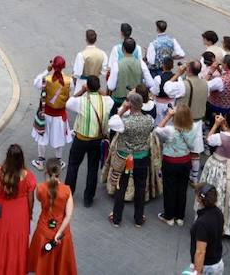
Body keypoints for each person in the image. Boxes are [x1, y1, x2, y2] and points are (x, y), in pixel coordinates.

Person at [0, 144, 34, 275]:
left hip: (0, 215)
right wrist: (30, 213)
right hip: (20, 216)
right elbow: (31, 198)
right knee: (16, 246)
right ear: (22, 159)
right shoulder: (28, 176)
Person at [107, 92, 155, 227]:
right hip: (142, 157)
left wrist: (122, 110)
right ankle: (138, 219)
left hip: (125, 158)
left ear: (130, 105)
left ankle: (117, 218)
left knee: (121, 186)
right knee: (140, 187)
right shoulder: (149, 120)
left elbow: (111, 122)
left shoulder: (124, 122)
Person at [63, 75, 112, 208]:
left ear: (88, 87)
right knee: (92, 168)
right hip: (97, 140)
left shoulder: (81, 102)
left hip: (81, 139)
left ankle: (68, 194)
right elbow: (108, 96)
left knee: (73, 166)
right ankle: (88, 198)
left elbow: (68, 102)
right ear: (99, 87)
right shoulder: (107, 101)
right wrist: (97, 90)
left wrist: (83, 91)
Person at [26, 159, 76, 275]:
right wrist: (59, 233)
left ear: (46, 172)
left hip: (43, 231)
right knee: (60, 265)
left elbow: (39, 199)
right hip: (62, 233)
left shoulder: (40, 188)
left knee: (43, 264)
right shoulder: (67, 190)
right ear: (60, 172)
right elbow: (68, 215)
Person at [31, 57, 71, 171]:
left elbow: (35, 83)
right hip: (60, 115)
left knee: (42, 137)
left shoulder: (46, 79)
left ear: (52, 66)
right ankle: (58, 162)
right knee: (60, 139)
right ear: (64, 66)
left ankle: (41, 162)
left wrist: (46, 70)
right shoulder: (69, 81)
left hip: (46, 113)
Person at [186, 183, 225, 275]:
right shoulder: (218, 213)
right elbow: (221, 232)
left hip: (206, 267)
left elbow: (200, 252)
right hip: (218, 262)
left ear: (200, 198)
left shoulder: (202, 223)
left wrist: (197, 272)